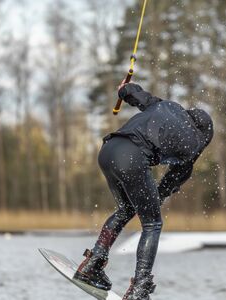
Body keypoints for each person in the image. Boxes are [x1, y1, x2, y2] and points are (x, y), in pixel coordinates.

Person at [73, 81, 214, 300]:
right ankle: (139, 289)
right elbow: (169, 184)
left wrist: (123, 88)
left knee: (125, 209)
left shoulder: (167, 106)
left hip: (108, 149)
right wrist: (159, 197)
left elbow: (136, 95)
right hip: (131, 159)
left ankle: (93, 264)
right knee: (153, 223)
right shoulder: (194, 142)